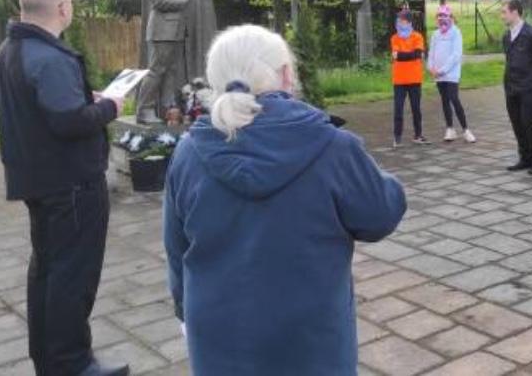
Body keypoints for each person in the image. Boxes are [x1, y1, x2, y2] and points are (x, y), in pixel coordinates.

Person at [163, 25, 406, 375]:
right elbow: (380, 215)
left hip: (219, 335)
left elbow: (176, 248)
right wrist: (383, 180)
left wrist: (185, 312)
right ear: (287, 74)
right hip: (309, 340)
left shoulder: (189, 152)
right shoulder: (333, 146)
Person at [0, 0, 128, 376]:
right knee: (73, 277)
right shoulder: (49, 57)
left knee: (48, 272)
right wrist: (111, 108)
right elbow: (69, 121)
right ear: (63, 8)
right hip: (71, 185)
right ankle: (73, 364)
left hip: (39, 181)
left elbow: (46, 108)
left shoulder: (11, 49)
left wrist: (89, 98)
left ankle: (50, 360)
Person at [135, 0, 190, 124]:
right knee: (157, 70)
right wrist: (184, 1)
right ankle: (144, 110)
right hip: (162, 29)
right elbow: (159, 1)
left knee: (172, 69)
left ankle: (169, 108)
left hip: (174, 28)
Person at [502, 0, 532, 175]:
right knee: (517, 124)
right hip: (511, 87)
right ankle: (525, 158)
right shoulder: (506, 36)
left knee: (529, 123)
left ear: (515, 12)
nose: (502, 16)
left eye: (504, 12)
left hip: (528, 87)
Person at [427, 4, 476, 143]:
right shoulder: (435, 34)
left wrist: (442, 70)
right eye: (440, 16)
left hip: (451, 74)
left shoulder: (456, 32)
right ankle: (450, 129)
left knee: (454, 99)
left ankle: (466, 130)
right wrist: (431, 67)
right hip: (438, 75)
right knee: (444, 100)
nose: (442, 18)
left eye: (445, 15)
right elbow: (431, 52)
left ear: (451, 17)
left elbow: (456, 55)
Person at [391, 9, 428, 146]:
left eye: (403, 20)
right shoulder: (394, 38)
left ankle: (418, 135)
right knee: (398, 109)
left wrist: (402, 56)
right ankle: (397, 137)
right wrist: (410, 55)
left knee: (416, 108)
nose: (400, 23)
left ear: (409, 22)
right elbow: (401, 55)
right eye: (398, 20)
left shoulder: (417, 36)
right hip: (399, 80)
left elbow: (417, 54)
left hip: (414, 79)